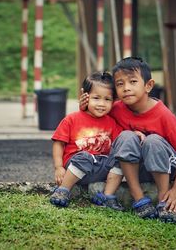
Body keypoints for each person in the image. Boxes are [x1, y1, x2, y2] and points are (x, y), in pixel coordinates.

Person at [80, 57, 176, 223]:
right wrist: (84, 108)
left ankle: (164, 200)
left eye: (133, 81)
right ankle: (139, 198)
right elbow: (95, 119)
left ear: (148, 85)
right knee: (126, 136)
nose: (126, 88)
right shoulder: (116, 108)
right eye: (120, 84)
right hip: (135, 168)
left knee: (152, 140)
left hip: (165, 167)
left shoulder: (163, 114)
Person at [50, 71, 124, 211]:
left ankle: (106, 196)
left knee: (121, 159)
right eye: (96, 98)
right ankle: (63, 190)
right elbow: (58, 143)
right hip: (76, 166)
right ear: (84, 95)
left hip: (101, 168)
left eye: (107, 99)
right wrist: (59, 167)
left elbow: (120, 144)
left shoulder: (112, 123)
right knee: (85, 157)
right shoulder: (71, 119)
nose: (101, 104)